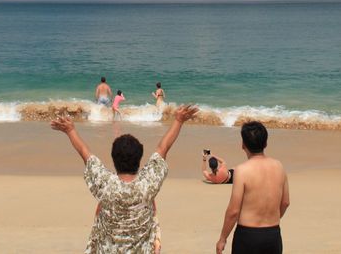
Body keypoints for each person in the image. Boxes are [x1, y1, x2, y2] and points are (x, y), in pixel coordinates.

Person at [51, 104, 199, 254]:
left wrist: (70, 130)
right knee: (152, 210)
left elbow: (85, 153)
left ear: (114, 159)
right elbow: (163, 148)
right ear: (139, 159)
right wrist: (178, 120)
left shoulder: (105, 183)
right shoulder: (148, 183)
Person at [215, 121, 289, 254]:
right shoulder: (279, 166)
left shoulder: (242, 171)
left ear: (243, 145)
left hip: (248, 236)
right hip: (273, 234)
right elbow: (285, 202)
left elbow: (233, 211)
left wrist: (223, 238)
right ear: (265, 143)